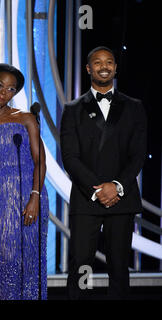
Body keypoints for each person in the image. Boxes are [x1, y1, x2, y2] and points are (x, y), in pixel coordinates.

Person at [60, 46, 147, 299]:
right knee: (81, 265)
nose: (104, 66)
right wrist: (99, 189)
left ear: (116, 68)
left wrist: (117, 186)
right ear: (88, 69)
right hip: (87, 198)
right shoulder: (73, 109)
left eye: (109, 62)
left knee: (119, 266)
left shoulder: (134, 107)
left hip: (122, 197)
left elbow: (138, 155)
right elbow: (70, 157)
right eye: (97, 62)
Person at [0, 63, 49, 300]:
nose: (3, 92)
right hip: (1, 195)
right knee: (8, 258)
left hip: (31, 192)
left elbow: (40, 162)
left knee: (32, 258)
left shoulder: (25, 118)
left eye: (10, 89)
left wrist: (34, 197)